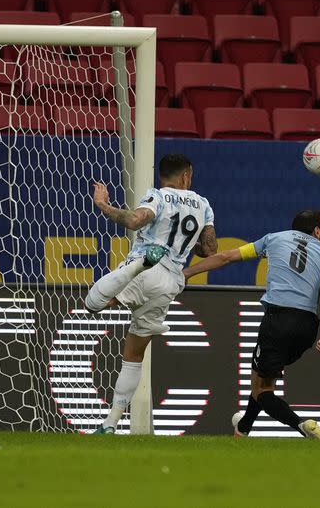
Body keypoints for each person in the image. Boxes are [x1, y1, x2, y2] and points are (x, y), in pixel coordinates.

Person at [86, 153, 217, 434]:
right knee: (134, 354)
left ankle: (131, 270)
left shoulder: (158, 196)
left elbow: (134, 220)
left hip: (147, 268)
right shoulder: (204, 205)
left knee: (93, 304)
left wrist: (103, 205)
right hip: (170, 284)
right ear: (187, 175)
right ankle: (110, 424)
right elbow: (209, 249)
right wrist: (185, 239)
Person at [183, 210, 320, 440]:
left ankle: (303, 426)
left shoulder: (274, 239)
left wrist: (188, 271)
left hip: (278, 321)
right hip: (308, 327)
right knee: (263, 380)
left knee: (261, 389)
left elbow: (227, 257)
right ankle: (243, 429)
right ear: (316, 231)